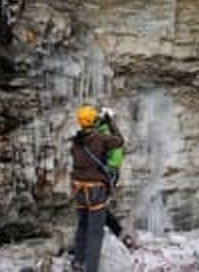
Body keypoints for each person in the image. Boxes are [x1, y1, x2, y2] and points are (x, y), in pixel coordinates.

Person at [70, 105, 125, 272]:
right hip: (95, 190)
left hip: (78, 189)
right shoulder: (101, 139)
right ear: (93, 120)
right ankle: (91, 269)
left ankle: (78, 263)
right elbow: (120, 141)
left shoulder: (76, 141)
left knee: (82, 227)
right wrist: (110, 122)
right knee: (95, 233)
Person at [96, 108, 134, 250]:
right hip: (110, 173)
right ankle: (120, 234)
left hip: (104, 173)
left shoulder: (102, 133)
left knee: (98, 208)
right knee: (99, 207)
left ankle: (118, 234)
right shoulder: (108, 132)